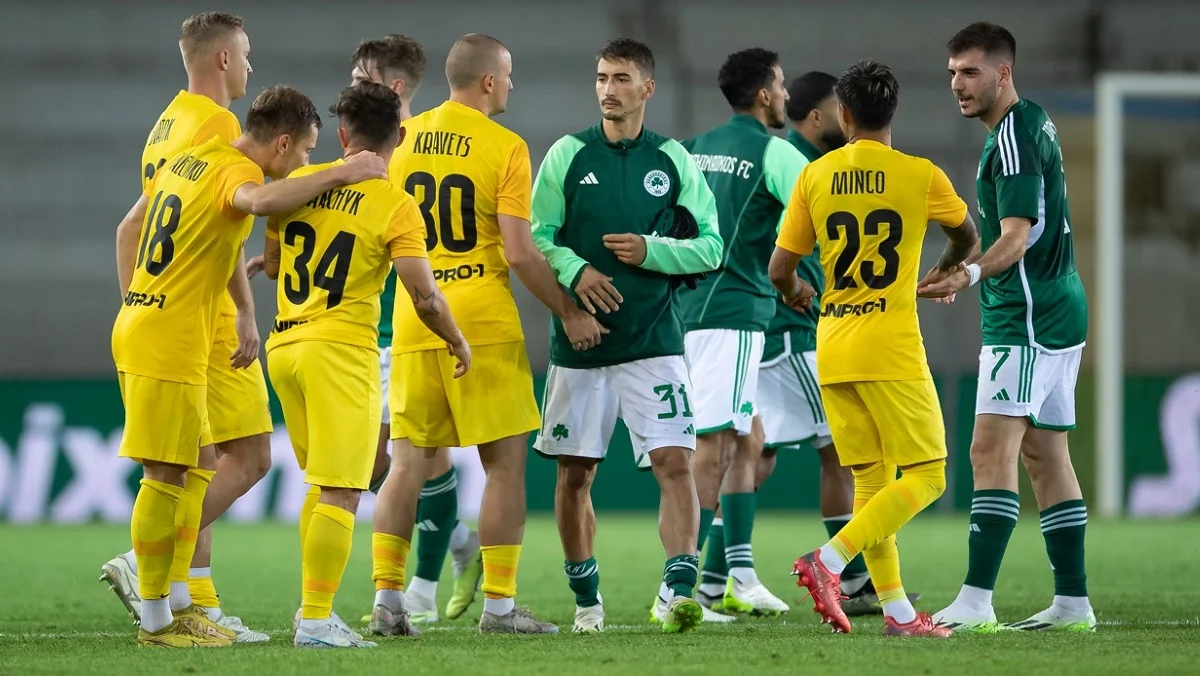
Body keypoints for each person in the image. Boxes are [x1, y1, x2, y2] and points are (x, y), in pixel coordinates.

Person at [112, 84, 387, 646]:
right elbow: (257, 204)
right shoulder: (240, 177)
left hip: (158, 326)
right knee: (165, 477)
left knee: (196, 467)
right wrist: (343, 173)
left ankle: (177, 602)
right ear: (282, 143)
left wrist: (241, 309)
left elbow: (217, 231)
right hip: (167, 334)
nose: (308, 163)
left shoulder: (191, 159)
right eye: (308, 152)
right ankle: (156, 614)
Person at [370, 33, 599, 636]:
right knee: (502, 467)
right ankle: (499, 608)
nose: (513, 85)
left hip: (417, 318)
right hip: (482, 319)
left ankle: (388, 601)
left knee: (405, 465)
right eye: (511, 75)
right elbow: (521, 254)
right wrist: (570, 311)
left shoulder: (402, 138)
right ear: (491, 81)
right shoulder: (506, 146)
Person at [771, 60, 978, 637]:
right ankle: (830, 560)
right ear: (893, 113)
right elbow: (968, 234)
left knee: (871, 483)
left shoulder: (817, 175)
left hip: (833, 344)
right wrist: (944, 266)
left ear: (843, 114)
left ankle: (898, 615)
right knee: (930, 474)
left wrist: (795, 292)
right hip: (890, 346)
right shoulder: (920, 174)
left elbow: (780, 268)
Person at [262, 81, 469, 648]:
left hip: (285, 347)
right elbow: (423, 296)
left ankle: (312, 609)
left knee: (320, 485)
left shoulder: (299, 182)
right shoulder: (395, 204)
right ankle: (316, 619)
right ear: (400, 137)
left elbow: (277, 265)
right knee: (341, 490)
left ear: (343, 135)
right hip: (340, 352)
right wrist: (455, 339)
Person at [531, 37, 723, 634]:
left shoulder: (673, 160)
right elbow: (536, 236)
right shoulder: (567, 154)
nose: (608, 89)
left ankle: (678, 589)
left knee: (674, 462)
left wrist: (652, 250)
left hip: (654, 341)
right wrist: (576, 273)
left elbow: (712, 246)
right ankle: (587, 601)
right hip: (581, 348)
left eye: (620, 79)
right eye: (601, 78)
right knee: (575, 474)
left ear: (647, 88)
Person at [101, 11, 274, 643]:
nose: (251, 66)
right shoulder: (218, 124)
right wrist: (247, 312)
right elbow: (219, 225)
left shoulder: (164, 125)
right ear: (224, 59)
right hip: (206, 312)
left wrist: (138, 303)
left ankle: (187, 597)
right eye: (247, 54)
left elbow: (132, 229)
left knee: (200, 458)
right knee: (247, 454)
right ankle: (149, 571)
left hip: (164, 309)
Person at [928, 21, 1094, 633]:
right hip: (1058, 308)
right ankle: (1073, 604)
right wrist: (957, 265)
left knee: (987, 450)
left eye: (969, 72)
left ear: (1003, 72)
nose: (957, 85)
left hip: (1024, 319)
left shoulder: (1014, 138)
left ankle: (975, 601)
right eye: (951, 73)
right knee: (1047, 455)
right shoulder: (1031, 123)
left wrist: (969, 277)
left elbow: (1017, 237)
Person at [349, 34, 485, 626]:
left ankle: (421, 590)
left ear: (394, 86)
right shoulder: (365, 150)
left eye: (362, 78)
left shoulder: (418, 145)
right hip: (371, 320)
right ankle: (455, 544)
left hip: (409, 318)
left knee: (401, 456)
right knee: (399, 461)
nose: (352, 86)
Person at [676, 47, 800, 618]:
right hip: (734, 310)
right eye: (781, 85)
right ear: (764, 95)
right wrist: (794, 278)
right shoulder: (775, 151)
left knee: (748, 439)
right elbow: (820, 207)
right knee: (715, 446)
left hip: (691, 309)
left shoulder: (697, 149)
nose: (787, 96)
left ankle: (733, 577)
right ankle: (680, 587)